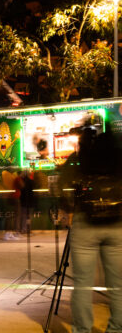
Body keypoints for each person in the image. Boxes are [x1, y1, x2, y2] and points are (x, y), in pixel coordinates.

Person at [59, 127, 122, 333]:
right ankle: (116, 328)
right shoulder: (117, 157)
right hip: (116, 224)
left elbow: (63, 184)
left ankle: (82, 329)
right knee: (118, 284)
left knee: (83, 283)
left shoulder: (80, 159)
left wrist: (68, 209)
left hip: (86, 222)